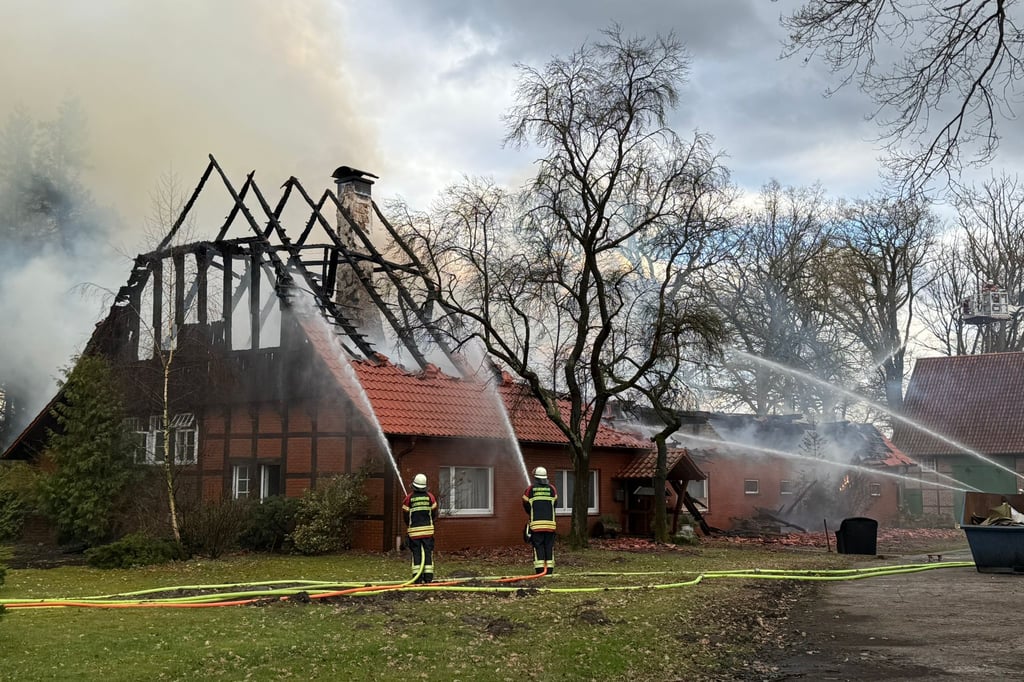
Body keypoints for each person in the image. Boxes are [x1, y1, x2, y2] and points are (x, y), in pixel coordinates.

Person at [401, 473, 438, 583]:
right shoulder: (430, 497)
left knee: (416, 554)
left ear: (414, 486)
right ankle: (428, 578)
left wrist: (409, 525)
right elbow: (434, 513)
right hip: (428, 532)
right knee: (428, 554)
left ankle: (417, 579)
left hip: (414, 533)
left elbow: (405, 515)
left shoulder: (409, 499)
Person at [522, 466, 558, 575]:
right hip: (550, 525)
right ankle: (549, 570)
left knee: (538, 546)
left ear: (536, 478)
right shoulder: (552, 489)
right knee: (549, 546)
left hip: (536, 525)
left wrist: (532, 512)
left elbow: (525, 504)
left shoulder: (530, 489)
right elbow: (555, 504)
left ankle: (540, 570)